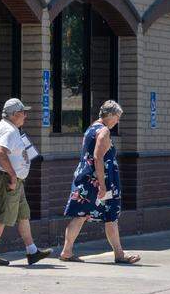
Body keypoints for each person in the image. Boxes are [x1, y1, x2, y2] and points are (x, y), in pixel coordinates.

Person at [59, 101, 141, 264]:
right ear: (110, 115)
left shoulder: (91, 128)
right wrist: (102, 185)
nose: (117, 121)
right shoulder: (103, 131)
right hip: (98, 181)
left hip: (85, 178)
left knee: (81, 214)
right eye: (117, 117)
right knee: (109, 215)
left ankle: (67, 252)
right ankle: (118, 254)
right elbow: (98, 157)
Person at [0, 98, 52, 266]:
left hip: (15, 180)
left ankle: (32, 251)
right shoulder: (9, 130)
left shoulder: (9, 127)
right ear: (14, 114)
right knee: (2, 217)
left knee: (23, 215)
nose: (25, 116)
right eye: (22, 113)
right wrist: (13, 176)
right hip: (8, 179)